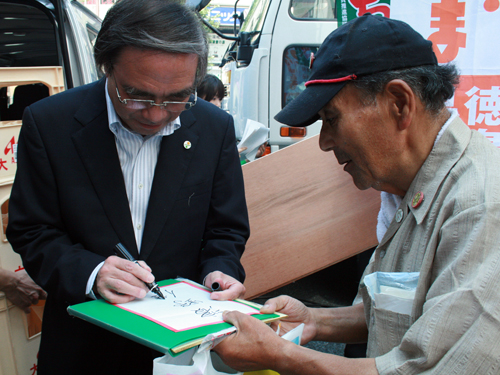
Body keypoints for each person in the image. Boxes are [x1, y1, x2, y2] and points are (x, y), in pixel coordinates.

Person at [214, 14, 500, 374]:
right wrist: (315, 321)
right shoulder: (406, 191)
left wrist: (279, 356)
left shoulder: (481, 206)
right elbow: (394, 310)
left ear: (399, 103)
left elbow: (421, 369)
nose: (324, 143)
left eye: (331, 119)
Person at [6, 0, 249, 374]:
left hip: (182, 351)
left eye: (177, 98)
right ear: (107, 67)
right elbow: (31, 229)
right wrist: (92, 272)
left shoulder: (213, 128)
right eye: (136, 95)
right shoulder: (50, 123)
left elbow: (226, 227)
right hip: (82, 348)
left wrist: (220, 269)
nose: (155, 114)